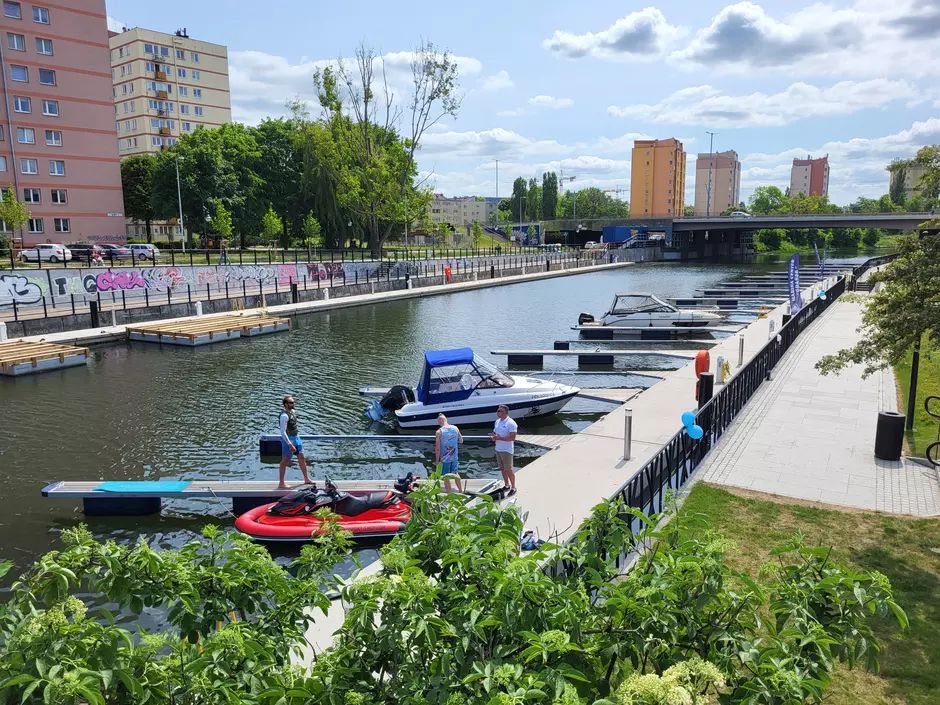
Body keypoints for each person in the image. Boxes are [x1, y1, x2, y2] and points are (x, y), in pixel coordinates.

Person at [278, 395, 311, 489]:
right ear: (285, 404)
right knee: (285, 460)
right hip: (288, 439)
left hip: (296, 437)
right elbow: (283, 432)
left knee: (301, 457)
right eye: (291, 402)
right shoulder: (284, 416)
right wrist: (289, 444)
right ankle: (281, 483)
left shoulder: (293, 412)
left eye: (293, 402)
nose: (293, 404)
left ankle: (306, 479)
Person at [490, 404, 518, 495]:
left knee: (508, 469)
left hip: (507, 450)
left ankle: (513, 487)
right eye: (497, 410)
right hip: (498, 449)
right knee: (502, 468)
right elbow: (495, 432)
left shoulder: (511, 423)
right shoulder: (497, 421)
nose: (497, 412)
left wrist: (499, 438)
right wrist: (493, 437)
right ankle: (506, 485)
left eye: (500, 411)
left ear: (505, 412)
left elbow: (512, 437)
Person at [434, 413, 463, 492]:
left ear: (439, 421)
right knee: (456, 473)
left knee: (446, 477)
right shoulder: (455, 428)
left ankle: (449, 495)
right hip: (454, 456)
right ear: (446, 419)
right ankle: (461, 491)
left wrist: (437, 460)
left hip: (445, 458)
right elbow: (461, 441)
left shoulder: (439, 432)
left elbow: (437, 449)